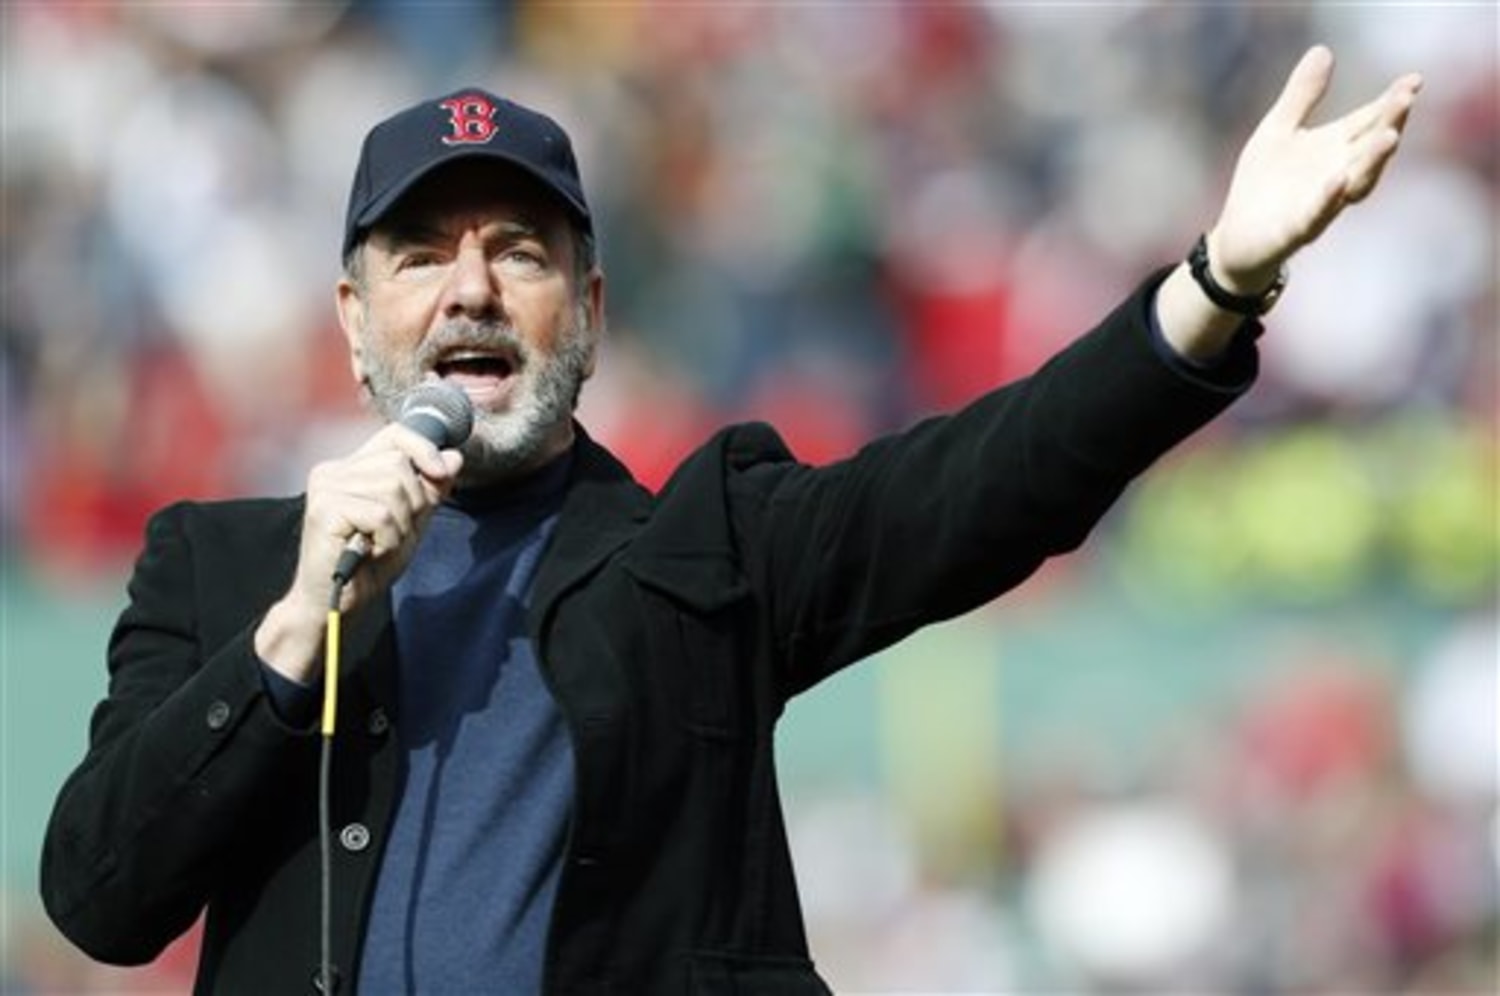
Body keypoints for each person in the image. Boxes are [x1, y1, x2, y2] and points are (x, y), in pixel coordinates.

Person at [41, 46, 1420, 995]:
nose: (470, 290)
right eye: (421, 257)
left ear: (584, 313)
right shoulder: (218, 567)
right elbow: (102, 897)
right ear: (354, 323)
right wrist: (295, 635)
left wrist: (1216, 282)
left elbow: (993, 481)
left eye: (520, 253)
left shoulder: (707, 551)